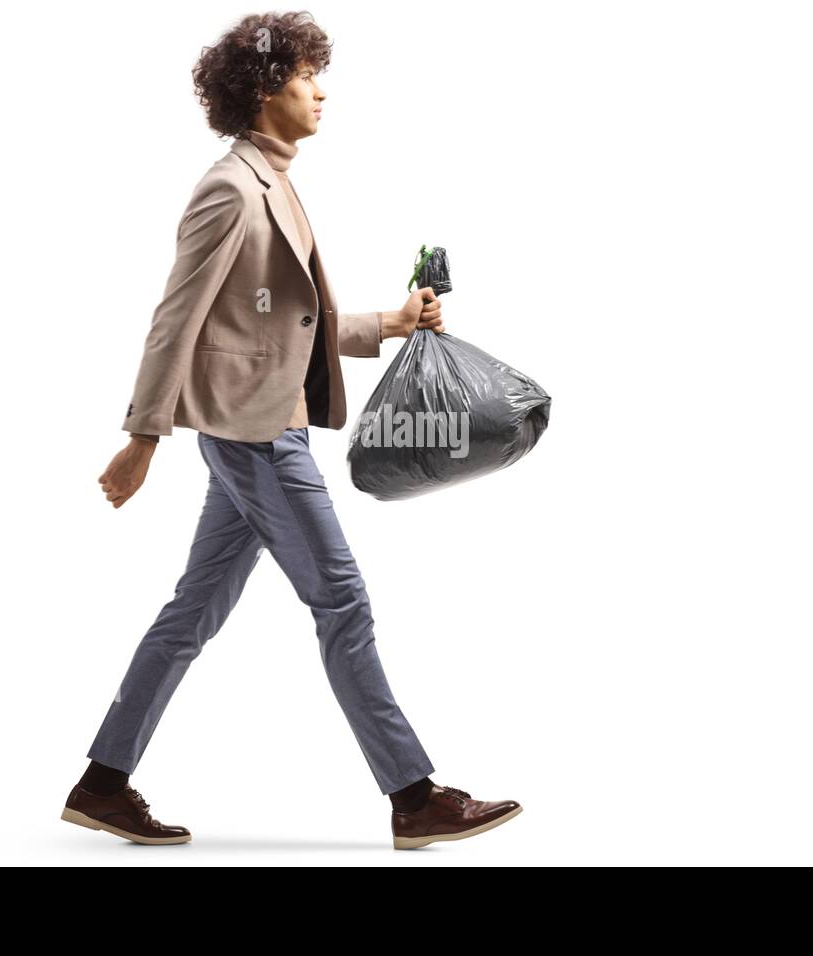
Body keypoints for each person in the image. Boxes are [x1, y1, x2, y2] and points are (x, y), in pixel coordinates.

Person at [60, 11, 521, 850]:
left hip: (267, 427)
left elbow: (283, 325)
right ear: (267, 87)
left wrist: (394, 320)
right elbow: (175, 321)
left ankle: (101, 782)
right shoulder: (229, 189)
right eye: (309, 76)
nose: (322, 91)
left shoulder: (272, 179)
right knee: (342, 599)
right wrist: (143, 438)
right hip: (258, 436)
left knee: (192, 610)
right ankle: (414, 796)